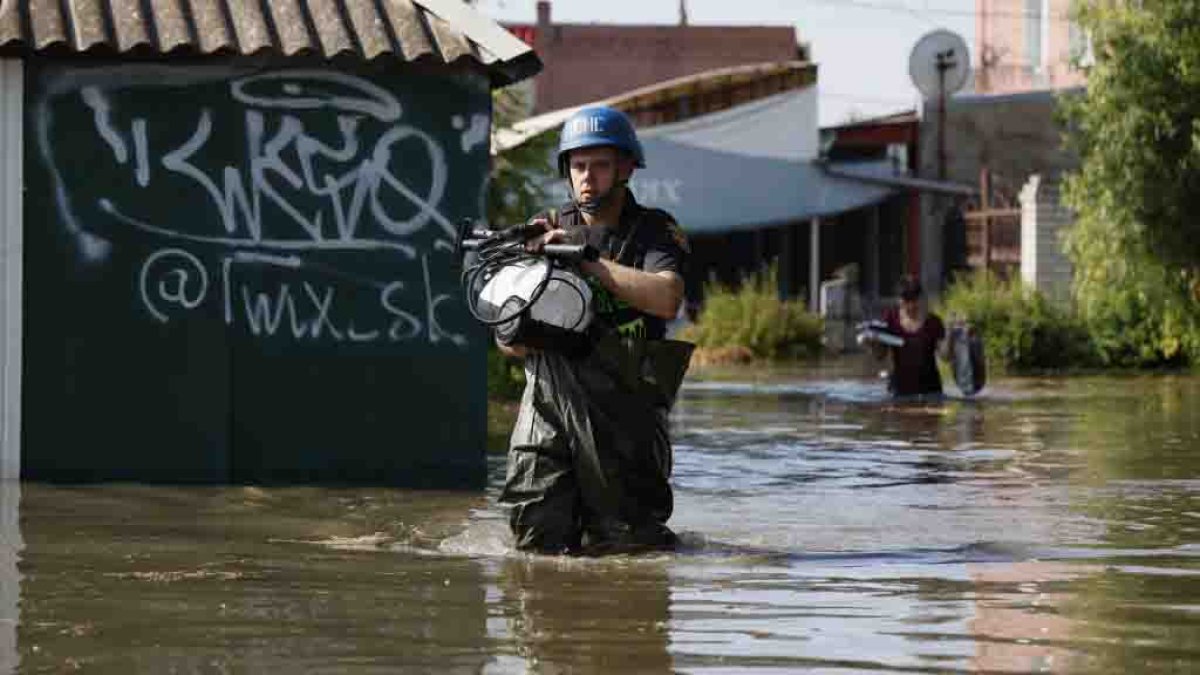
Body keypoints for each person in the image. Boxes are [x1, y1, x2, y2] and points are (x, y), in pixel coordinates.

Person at [496, 106, 692, 555]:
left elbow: (666, 297)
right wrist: (516, 315)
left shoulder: (655, 231)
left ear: (625, 168)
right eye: (578, 165)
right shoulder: (547, 229)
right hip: (549, 397)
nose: (588, 177)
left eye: (600, 165)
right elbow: (509, 345)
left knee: (628, 541)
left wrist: (587, 262)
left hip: (627, 404)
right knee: (535, 531)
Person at [870, 275, 947, 397]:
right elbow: (880, 355)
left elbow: (945, 356)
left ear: (921, 298)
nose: (911, 306)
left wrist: (954, 335)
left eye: (914, 300)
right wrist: (874, 343)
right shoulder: (891, 319)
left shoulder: (933, 322)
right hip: (899, 391)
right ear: (899, 300)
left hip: (931, 391)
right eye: (906, 301)